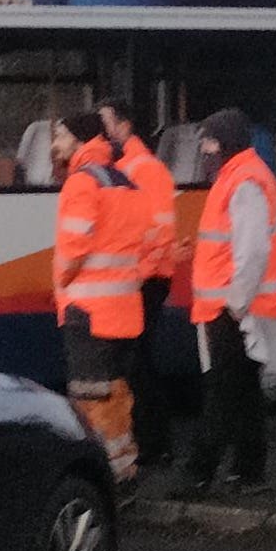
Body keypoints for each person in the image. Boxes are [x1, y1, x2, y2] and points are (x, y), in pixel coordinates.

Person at [176, 108, 276, 498]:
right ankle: (249, 470)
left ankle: (198, 474)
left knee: (222, 392)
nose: (205, 148)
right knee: (242, 391)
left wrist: (237, 303)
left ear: (225, 141)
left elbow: (252, 251)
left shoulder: (242, 182)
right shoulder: (241, 176)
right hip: (234, 306)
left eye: (209, 140)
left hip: (233, 308)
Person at [50, 116, 145, 487]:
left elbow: (74, 249)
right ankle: (124, 470)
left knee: (91, 401)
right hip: (123, 312)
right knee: (116, 398)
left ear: (78, 139)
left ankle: (104, 481)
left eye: (60, 135)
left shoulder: (81, 183)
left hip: (87, 313)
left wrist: (60, 282)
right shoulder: (124, 180)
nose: (55, 143)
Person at [99, 99, 181, 468]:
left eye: (107, 124)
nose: (104, 132)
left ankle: (155, 443)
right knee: (134, 362)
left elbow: (158, 232)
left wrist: (134, 274)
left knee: (137, 363)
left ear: (125, 126)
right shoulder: (125, 167)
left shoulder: (144, 170)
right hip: (136, 278)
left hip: (146, 279)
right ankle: (148, 440)